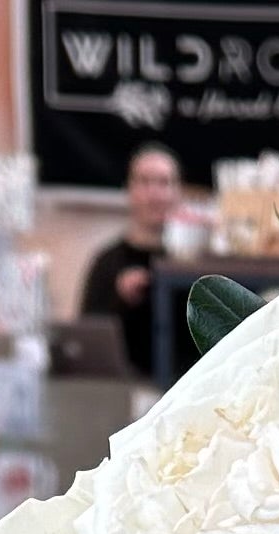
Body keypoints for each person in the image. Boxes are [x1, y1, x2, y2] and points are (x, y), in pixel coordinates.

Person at [79, 144, 181, 378]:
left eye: (164, 182)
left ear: (178, 192)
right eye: (145, 182)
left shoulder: (192, 265)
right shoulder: (106, 262)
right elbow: (87, 341)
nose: (154, 194)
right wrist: (120, 299)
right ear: (129, 189)